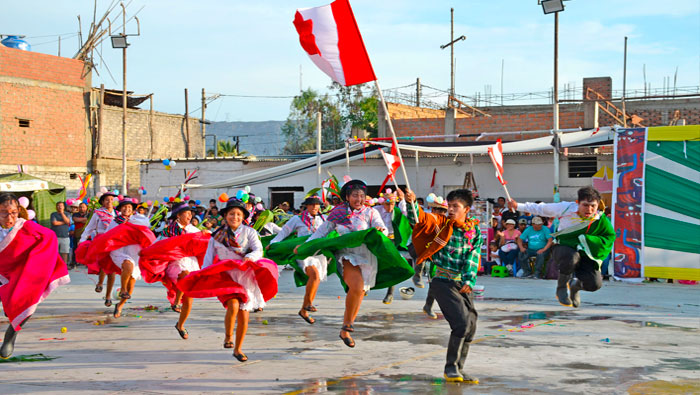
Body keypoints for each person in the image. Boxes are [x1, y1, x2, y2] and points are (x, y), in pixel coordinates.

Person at [179, 197, 278, 361]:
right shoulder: (216, 236)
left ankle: (238, 349)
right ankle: (228, 337)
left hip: (245, 277)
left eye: (239, 214)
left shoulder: (250, 232)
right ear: (226, 216)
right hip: (225, 277)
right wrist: (203, 276)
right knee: (233, 304)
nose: (235, 217)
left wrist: (250, 257)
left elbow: (258, 250)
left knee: (244, 313)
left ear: (243, 216)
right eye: (232, 214)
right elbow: (209, 260)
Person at [295, 180, 389, 348]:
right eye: (355, 195)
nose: (358, 199)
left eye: (361, 196)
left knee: (359, 291)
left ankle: (346, 327)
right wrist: (305, 246)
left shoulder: (371, 213)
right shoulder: (337, 213)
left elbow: (382, 227)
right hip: (346, 255)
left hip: (367, 257)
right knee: (357, 285)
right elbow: (321, 232)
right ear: (347, 197)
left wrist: (382, 231)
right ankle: (347, 325)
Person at [405, 188, 481, 383]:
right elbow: (420, 220)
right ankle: (450, 368)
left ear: (467, 210)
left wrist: (469, 279)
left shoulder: (474, 230)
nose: (451, 210)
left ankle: (459, 369)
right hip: (442, 280)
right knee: (461, 323)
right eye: (450, 206)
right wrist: (412, 203)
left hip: (461, 283)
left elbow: (473, 256)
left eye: (456, 206)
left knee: (471, 324)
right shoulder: (441, 223)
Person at [508, 186, 615, 307]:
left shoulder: (600, 219)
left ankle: (575, 286)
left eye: (593, 206)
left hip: (586, 251)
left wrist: (587, 240)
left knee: (594, 285)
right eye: (585, 205)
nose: (589, 209)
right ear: (577, 203)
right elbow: (541, 208)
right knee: (571, 258)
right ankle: (562, 287)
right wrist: (518, 206)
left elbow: (609, 236)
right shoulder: (566, 208)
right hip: (564, 247)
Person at [0, 193, 70, 359]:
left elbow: (49, 237)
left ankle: (10, 337)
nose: (9, 217)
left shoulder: (26, 227)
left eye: (13, 212)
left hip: (22, 273)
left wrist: (38, 261)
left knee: (28, 301)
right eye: (3, 212)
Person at [268, 196, 327, 324]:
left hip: (318, 254)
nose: (315, 207)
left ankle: (304, 310)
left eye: (317, 204)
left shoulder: (324, 219)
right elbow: (284, 232)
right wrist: (273, 243)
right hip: (303, 253)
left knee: (316, 279)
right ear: (306, 206)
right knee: (315, 275)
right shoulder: (297, 219)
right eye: (312, 204)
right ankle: (309, 303)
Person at [78, 191, 118, 306]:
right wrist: (82, 240)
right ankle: (100, 283)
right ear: (102, 202)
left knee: (112, 270)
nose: (109, 201)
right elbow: (89, 228)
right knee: (104, 264)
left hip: (114, 242)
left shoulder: (117, 214)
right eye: (107, 200)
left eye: (111, 199)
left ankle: (108, 296)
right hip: (101, 241)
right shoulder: (98, 213)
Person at [375, 189, 412, 304]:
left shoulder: (397, 211)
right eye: (387, 204)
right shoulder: (376, 211)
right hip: (379, 240)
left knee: (393, 266)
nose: (390, 207)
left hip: (393, 242)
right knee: (373, 263)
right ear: (382, 203)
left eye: (392, 204)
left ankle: (390, 293)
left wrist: (402, 200)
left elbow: (407, 213)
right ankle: (365, 286)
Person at [50, 202, 72, 267]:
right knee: (55, 252)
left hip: (65, 236)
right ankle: (55, 265)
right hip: (55, 236)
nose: (60, 207)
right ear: (56, 207)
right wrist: (64, 222)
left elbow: (68, 221)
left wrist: (62, 213)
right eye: (58, 206)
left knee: (64, 252)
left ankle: (64, 265)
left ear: (64, 207)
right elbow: (54, 223)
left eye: (61, 206)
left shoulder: (67, 214)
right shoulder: (53, 214)